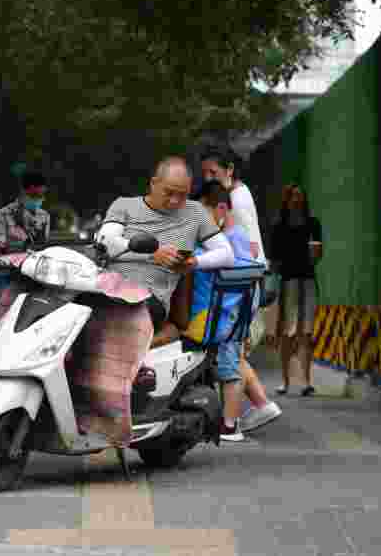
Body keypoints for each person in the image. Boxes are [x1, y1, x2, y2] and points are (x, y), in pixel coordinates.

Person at [88, 156, 234, 444]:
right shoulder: (124, 206)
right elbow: (106, 240)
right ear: (153, 183)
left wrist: (195, 262)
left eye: (182, 194)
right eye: (169, 192)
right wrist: (149, 253)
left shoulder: (195, 213)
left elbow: (226, 253)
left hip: (148, 298)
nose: (175, 201)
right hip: (107, 288)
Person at [193, 181, 282, 440]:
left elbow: (243, 281)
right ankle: (233, 419)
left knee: (229, 369)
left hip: (228, 318)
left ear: (221, 209)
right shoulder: (232, 238)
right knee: (228, 366)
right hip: (226, 318)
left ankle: (230, 427)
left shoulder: (234, 240)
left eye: (203, 213)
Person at [270, 184, 323, 396]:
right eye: (293, 196)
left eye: (300, 196)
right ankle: (285, 381)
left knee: (307, 333)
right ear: (287, 199)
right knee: (288, 333)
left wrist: (314, 253)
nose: (297, 200)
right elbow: (273, 260)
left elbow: (318, 254)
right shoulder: (279, 226)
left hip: (308, 280)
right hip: (287, 282)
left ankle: (305, 381)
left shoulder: (313, 224)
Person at [0, 171, 51, 257]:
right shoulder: (3, 214)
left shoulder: (44, 216)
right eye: (34, 195)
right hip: (9, 264)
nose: (38, 199)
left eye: (41, 196)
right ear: (23, 192)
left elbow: (43, 247)